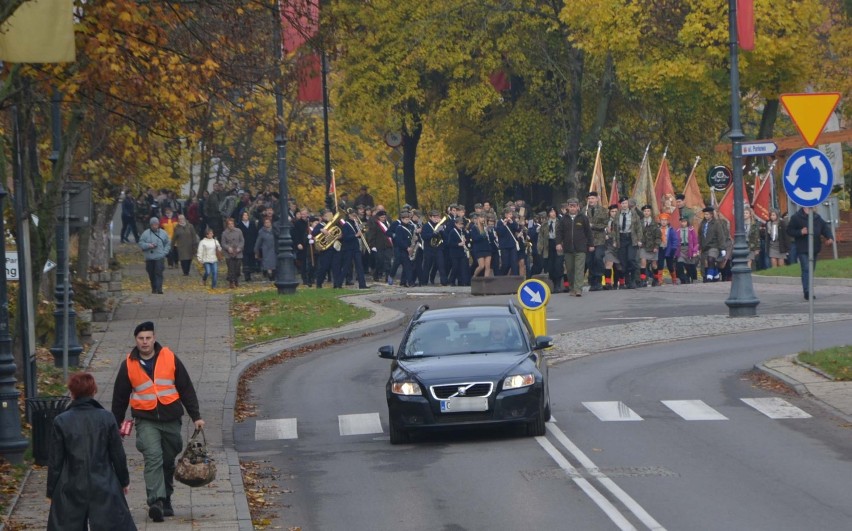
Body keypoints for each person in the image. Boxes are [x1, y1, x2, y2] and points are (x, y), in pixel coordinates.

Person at [112, 321, 204, 523]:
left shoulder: (169, 357)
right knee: (153, 457)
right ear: (135, 340)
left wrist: (196, 416)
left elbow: (185, 388)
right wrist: (114, 424)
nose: (144, 342)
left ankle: (167, 498)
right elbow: (119, 398)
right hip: (146, 420)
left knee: (168, 459)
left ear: (154, 338)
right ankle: (156, 502)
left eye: (148, 338)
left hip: (171, 418)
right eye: (140, 339)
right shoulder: (129, 364)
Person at [47, 372, 136, 531]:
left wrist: (51, 491)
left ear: (72, 393)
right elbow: (118, 455)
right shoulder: (107, 418)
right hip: (103, 480)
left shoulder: (61, 421)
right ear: (93, 391)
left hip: (71, 482)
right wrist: (124, 481)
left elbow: (56, 461)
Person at [786, 206, 834, 301]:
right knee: (806, 269)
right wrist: (800, 232)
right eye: (812, 207)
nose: (815, 208)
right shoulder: (796, 217)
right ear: (805, 207)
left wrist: (830, 237)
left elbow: (825, 228)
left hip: (814, 248)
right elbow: (789, 231)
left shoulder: (817, 218)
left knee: (811, 270)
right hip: (802, 248)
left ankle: (810, 289)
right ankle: (808, 291)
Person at [554, 198, 594, 297]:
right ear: (568, 207)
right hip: (568, 248)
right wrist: (558, 243)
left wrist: (591, 244)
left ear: (578, 207)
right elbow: (559, 232)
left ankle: (578, 289)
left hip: (581, 248)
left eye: (574, 206)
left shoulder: (583, 218)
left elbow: (588, 232)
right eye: (570, 206)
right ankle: (572, 287)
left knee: (579, 269)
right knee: (570, 269)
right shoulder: (563, 219)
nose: (572, 208)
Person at [138, 217, 171, 294]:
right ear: (150, 225)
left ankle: (159, 288)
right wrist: (148, 245)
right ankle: (154, 287)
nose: (155, 226)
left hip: (159, 257)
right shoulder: (145, 234)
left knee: (158, 272)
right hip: (149, 257)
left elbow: (168, 243)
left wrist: (164, 252)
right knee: (151, 273)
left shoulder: (163, 233)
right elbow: (141, 243)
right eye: (153, 225)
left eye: (156, 224)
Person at [221, 217, 245, 288]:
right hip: (229, 254)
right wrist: (228, 248)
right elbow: (223, 243)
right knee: (231, 268)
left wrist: (239, 248)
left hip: (238, 252)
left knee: (237, 268)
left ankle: (236, 279)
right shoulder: (224, 233)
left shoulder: (239, 231)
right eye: (229, 224)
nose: (231, 225)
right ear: (227, 225)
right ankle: (231, 282)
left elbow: (242, 241)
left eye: (232, 223)